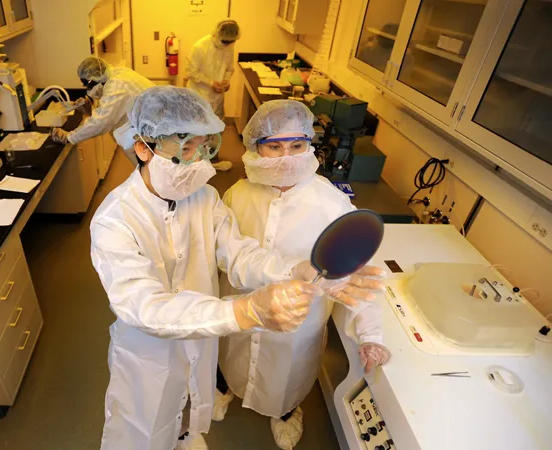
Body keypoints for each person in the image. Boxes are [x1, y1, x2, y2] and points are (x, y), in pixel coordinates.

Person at [92, 86, 327, 450]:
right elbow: (142, 305)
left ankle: (186, 438)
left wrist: (292, 270)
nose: (198, 163)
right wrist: (244, 310)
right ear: (143, 147)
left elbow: (237, 252)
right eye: (185, 150)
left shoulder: (203, 196)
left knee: (192, 410)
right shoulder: (115, 219)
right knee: (144, 431)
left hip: (202, 338)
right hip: (148, 352)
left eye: (203, 148)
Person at [214, 100, 391, 450]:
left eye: (296, 146)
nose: (286, 157)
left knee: (287, 375)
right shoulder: (237, 194)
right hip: (243, 305)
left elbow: (359, 274)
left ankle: (287, 411)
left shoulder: (331, 204)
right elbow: (224, 252)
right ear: (255, 146)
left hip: (298, 322)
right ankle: (225, 387)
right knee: (230, 354)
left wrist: (371, 334)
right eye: (274, 146)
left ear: (310, 144)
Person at [50, 56, 153, 165]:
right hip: (149, 128)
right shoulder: (118, 73)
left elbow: (100, 123)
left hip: (151, 135)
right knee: (153, 172)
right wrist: (90, 110)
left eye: (88, 85)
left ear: (95, 78)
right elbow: (111, 108)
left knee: (153, 174)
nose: (89, 90)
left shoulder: (116, 85)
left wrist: (69, 137)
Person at [186, 20, 240, 120]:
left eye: (230, 42)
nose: (227, 45)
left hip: (218, 97)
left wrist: (226, 80)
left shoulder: (230, 46)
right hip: (199, 95)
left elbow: (229, 68)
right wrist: (210, 83)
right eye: (224, 42)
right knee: (199, 129)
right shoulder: (200, 47)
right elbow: (191, 72)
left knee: (217, 128)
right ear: (216, 34)